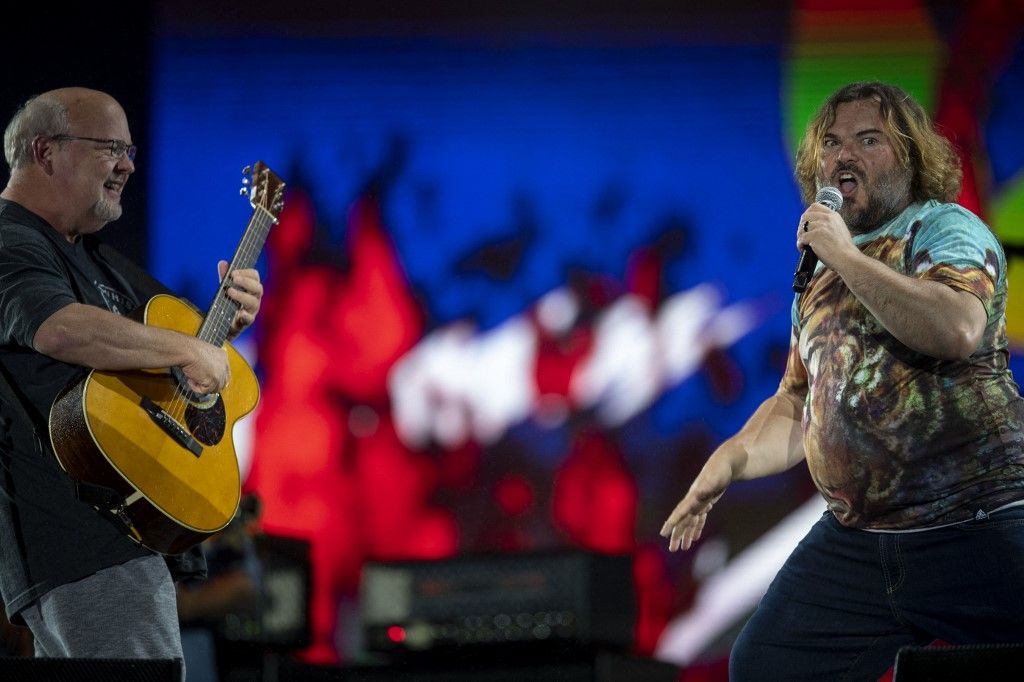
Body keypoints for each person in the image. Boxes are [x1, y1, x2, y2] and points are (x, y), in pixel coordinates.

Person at [660, 80, 1024, 680]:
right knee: (764, 666)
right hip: (859, 544)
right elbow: (798, 401)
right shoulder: (822, 277)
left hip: (975, 521)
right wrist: (729, 460)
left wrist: (848, 258)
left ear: (908, 157)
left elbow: (957, 328)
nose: (843, 155)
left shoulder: (944, 229)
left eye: (867, 139)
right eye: (831, 142)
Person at [0, 87, 263, 673]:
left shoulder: (98, 260)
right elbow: (58, 329)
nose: (129, 166)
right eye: (111, 149)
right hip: (80, 541)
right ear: (46, 152)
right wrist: (191, 348)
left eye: (133, 150)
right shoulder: (11, 241)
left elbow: (185, 358)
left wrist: (226, 322)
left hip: (119, 535)